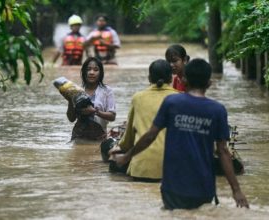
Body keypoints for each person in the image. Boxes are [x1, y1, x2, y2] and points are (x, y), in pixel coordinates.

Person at [112, 59, 249, 210]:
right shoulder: (218, 110)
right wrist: (236, 190)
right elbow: (223, 151)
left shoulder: (172, 103)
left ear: (184, 80)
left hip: (173, 185)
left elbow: (150, 136)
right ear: (209, 83)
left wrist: (126, 156)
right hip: (203, 185)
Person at [109, 59, 178, 181]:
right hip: (173, 169)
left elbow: (128, 138)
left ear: (149, 78)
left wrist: (118, 148)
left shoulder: (138, 98)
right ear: (171, 78)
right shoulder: (180, 98)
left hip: (141, 168)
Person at [67, 57, 116, 140]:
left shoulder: (107, 91)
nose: (91, 73)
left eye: (95, 70)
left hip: (99, 136)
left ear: (100, 73)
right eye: (88, 69)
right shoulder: (77, 91)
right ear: (84, 72)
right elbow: (71, 119)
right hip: (78, 136)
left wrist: (96, 111)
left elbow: (112, 116)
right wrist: (70, 101)